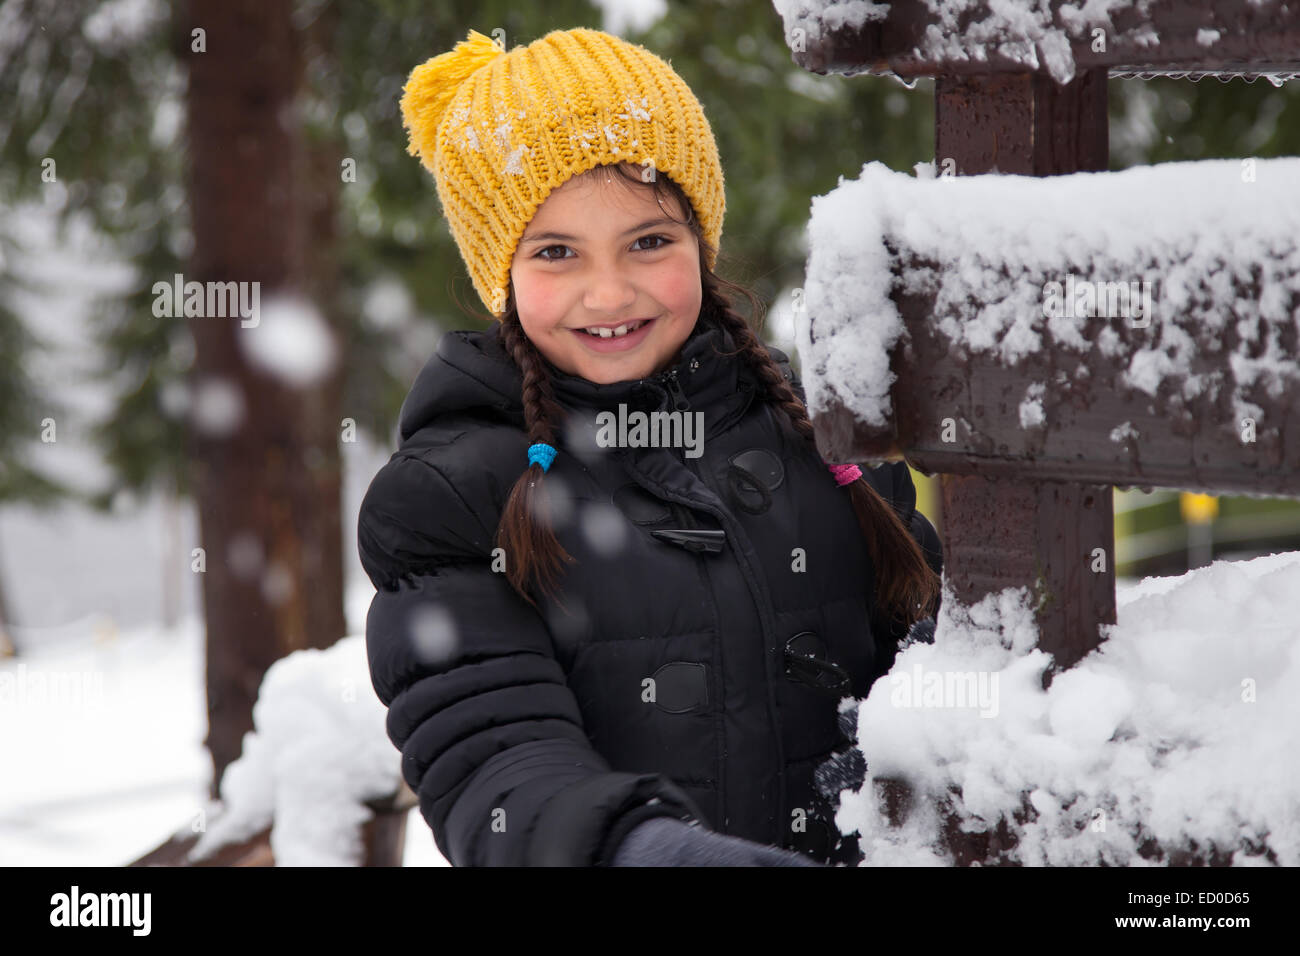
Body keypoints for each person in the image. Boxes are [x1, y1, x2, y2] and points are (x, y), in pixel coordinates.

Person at [358, 26, 944, 867]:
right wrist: (643, 851)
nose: (609, 291)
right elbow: (489, 749)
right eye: (556, 252)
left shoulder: (824, 441)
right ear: (503, 275)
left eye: (649, 241)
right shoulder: (453, 496)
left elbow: (936, 670)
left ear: (701, 243)